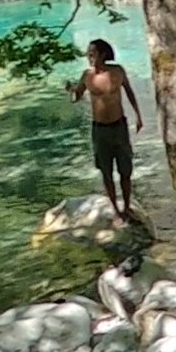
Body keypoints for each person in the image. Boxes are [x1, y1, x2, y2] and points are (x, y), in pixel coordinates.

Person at [66, 39, 144, 222]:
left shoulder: (117, 71)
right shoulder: (87, 76)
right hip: (99, 129)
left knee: (125, 169)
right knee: (106, 171)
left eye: (92, 53)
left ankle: (126, 205)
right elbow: (76, 96)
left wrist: (138, 116)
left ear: (103, 54)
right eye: (88, 53)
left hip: (119, 126)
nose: (89, 57)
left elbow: (129, 92)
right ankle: (116, 210)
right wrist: (70, 90)